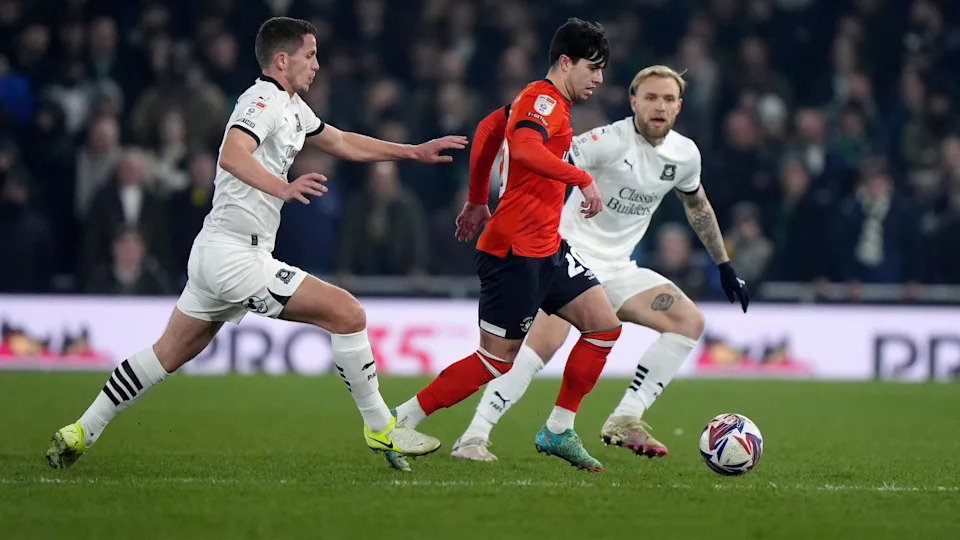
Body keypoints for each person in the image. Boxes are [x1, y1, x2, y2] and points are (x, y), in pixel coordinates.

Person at [45, 17, 467, 473]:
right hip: (235, 256)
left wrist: (411, 151)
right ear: (282, 60)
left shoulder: (293, 106)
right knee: (348, 314)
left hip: (218, 251)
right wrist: (282, 187)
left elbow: (342, 141)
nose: (317, 65)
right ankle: (382, 427)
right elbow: (231, 154)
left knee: (166, 354)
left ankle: (81, 431)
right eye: (310, 55)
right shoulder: (261, 101)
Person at [450, 66, 749, 462]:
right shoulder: (606, 142)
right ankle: (473, 436)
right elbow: (539, 160)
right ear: (634, 102)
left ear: (679, 106)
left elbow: (697, 206)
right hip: (567, 255)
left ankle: (625, 417)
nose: (659, 107)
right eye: (651, 97)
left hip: (618, 268)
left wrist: (724, 265)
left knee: (687, 321)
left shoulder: (685, 154)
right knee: (542, 345)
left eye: (668, 99)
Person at [390, 18, 619, 472]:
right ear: (565, 62)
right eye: (592, 67)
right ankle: (399, 421)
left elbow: (487, 130)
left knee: (603, 327)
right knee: (494, 362)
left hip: (547, 247)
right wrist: (581, 177)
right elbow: (526, 148)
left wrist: (478, 199)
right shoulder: (542, 101)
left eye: (602, 70)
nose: (598, 79)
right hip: (514, 252)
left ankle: (558, 430)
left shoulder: (535, 99)